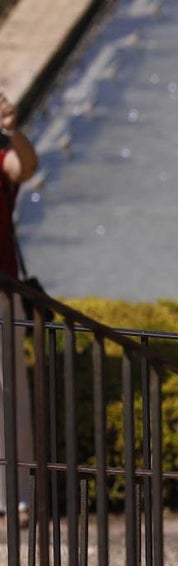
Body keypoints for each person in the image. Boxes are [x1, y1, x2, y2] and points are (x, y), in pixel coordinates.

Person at [0, 89, 38, 527]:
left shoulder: (3, 152)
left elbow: (24, 166)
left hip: (1, 289)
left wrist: (12, 131)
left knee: (7, 391)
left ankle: (16, 498)